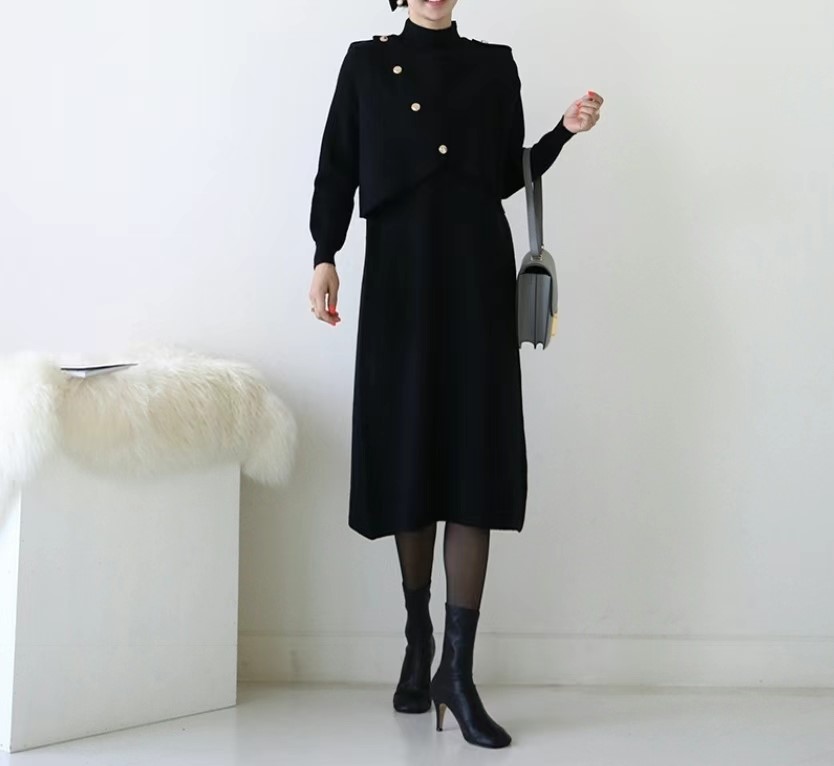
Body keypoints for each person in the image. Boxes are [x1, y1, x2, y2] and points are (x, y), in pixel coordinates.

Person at [308, 0, 602, 749]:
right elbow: (338, 165)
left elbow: (506, 173)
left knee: (474, 454)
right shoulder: (366, 62)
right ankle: (419, 643)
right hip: (399, 277)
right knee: (409, 450)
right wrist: (324, 255)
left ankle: (457, 677)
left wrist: (562, 134)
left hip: (475, 276)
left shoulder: (493, 66)